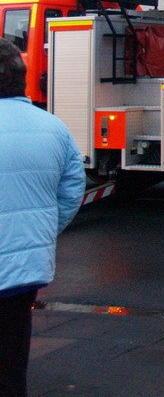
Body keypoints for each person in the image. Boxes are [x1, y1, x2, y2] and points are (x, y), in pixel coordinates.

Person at [0, 38, 85, 397]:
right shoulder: (54, 128)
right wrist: (41, 233)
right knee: (12, 361)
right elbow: (72, 190)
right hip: (25, 269)